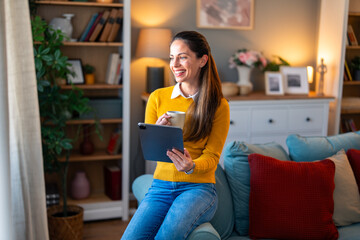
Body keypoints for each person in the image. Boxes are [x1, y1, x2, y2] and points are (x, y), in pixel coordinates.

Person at [122, 31, 230, 240]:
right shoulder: (157, 98)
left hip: (199, 189)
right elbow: (151, 152)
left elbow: (213, 156)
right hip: (161, 185)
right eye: (172, 57)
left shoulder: (219, 106)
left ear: (202, 60)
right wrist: (157, 133)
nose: (175, 64)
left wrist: (192, 167)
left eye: (182, 57)